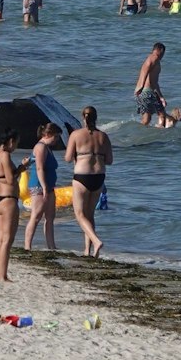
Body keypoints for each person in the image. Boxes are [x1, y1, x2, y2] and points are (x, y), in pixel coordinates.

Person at [64, 106, 110, 258]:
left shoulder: (76, 134)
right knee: (90, 215)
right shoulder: (103, 136)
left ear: (83, 118)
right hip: (99, 177)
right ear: (96, 118)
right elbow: (109, 160)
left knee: (79, 214)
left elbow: (68, 158)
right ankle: (87, 251)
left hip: (82, 177)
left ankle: (96, 242)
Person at [23, 123, 61, 252]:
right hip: (39, 186)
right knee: (36, 216)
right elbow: (39, 168)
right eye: (55, 137)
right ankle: (27, 246)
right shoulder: (40, 147)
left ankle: (51, 246)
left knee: (50, 217)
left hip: (49, 186)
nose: (56, 140)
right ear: (47, 135)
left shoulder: (47, 147)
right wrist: (44, 187)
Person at [0, 132, 20, 282]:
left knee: (0, 239)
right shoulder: (5, 155)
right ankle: (3, 275)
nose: (16, 147)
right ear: (11, 141)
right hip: (8, 200)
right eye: (16, 143)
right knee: (7, 240)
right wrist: (22, 168)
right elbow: (10, 180)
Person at [135, 42, 181, 128]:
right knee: (147, 119)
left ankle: (159, 134)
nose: (163, 56)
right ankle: (137, 133)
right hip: (146, 92)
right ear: (160, 51)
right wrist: (141, 86)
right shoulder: (154, 57)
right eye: (163, 53)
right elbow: (145, 69)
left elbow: (155, 82)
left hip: (152, 92)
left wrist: (161, 97)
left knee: (162, 114)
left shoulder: (156, 61)